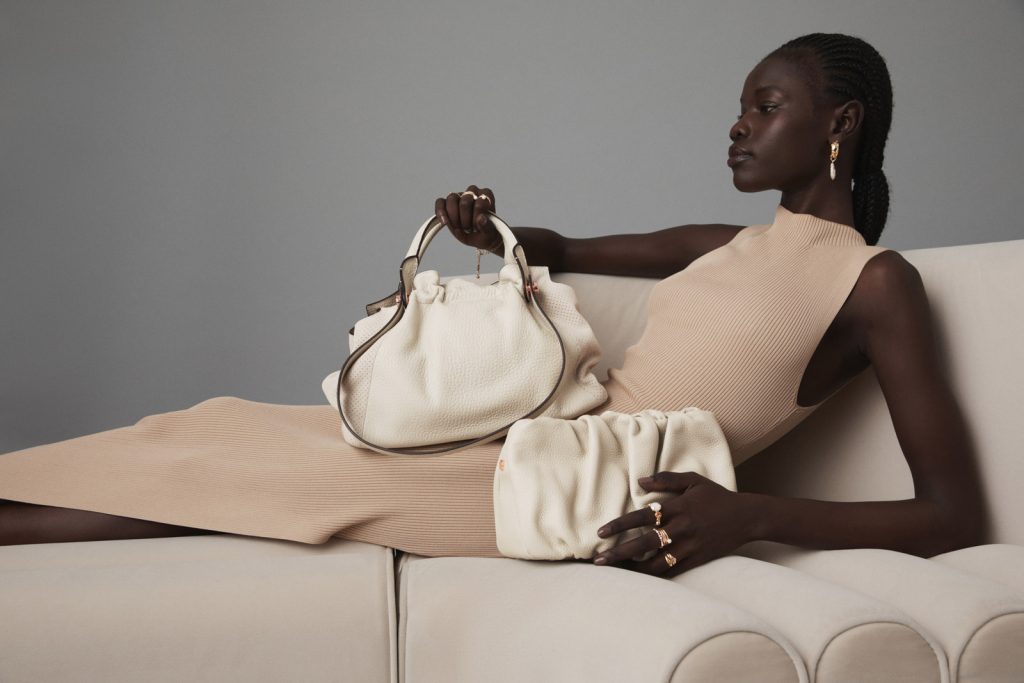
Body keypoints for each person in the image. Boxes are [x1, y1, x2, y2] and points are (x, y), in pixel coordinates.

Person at [0, 33, 986, 578]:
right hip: (526, 425)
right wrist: (485, 228)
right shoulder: (727, 242)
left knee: (262, 480)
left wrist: (748, 514)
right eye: (739, 106)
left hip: (570, 483)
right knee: (221, 426)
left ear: (840, 122)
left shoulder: (874, 284)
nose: (736, 126)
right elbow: (560, 250)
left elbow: (951, 513)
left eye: (764, 106)